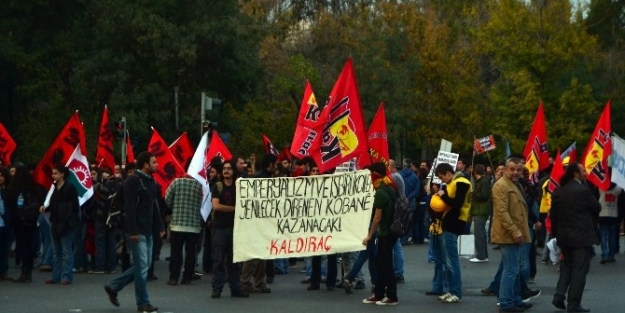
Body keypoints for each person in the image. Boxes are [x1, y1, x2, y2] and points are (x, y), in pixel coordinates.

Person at [104, 152, 165, 313]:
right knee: (142, 266)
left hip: (148, 230)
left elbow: (154, 206)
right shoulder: (133, 181)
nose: (157, 164)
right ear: (145, 164)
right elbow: (129, 207)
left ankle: (113, 286)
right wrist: (133, 231)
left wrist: (160, 227)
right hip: (137, 231)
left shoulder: (150, 181)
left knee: (143, 265)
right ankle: (142, 302)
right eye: (154, 162)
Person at [551, 162, 601, 312]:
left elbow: (554, 215)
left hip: (564, 237)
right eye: (583, 171)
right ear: (576, 174)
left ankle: (559, 296)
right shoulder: (582, 190)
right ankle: (573, 304)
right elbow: (597, 207)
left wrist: (555, 235)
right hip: (581, 237)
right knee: (579, 271)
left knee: (567, 267)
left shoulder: (559, 191)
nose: (586, 173)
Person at [490, 158, 532, 312]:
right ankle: (506, 302)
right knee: (511, 269)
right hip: (507, 234)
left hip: (514, 233)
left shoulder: (514, 184)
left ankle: (515, 299)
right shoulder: (501, 186)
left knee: (512, 269)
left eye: (518, 170)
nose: (515, 172)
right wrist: (515, 231)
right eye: (512, 169)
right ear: (505, 169)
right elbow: (502, 212)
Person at [433, 162, 472, 303]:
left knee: (452, 261)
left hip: (455, 223)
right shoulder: (453, 182)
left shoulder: (461, 182)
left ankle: (456, 292)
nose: (442, 179)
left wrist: (443, 196)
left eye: (442, 176)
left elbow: (457, 203)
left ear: (449, 173)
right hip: (449, 223)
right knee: (447, 261)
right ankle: (450, 290)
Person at [211, 159, 249, 298]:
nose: (226, 170)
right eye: (224, 168)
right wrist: (235, 208)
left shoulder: (239, 187)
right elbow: (216, 206)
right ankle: (217, 288)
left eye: (229, 168)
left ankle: (236, 288)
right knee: (218, 260)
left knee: (235, 261)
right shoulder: (218, 186)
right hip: (220, 228)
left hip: (235, 228)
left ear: (234, 171)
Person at [362, 162, 398, 306]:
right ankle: (379, 293)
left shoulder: (381, 192)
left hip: (385, 232)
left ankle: (391, 296)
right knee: (380, 263)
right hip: (389, 232)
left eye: (370, 175)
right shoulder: (388, 187)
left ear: (375, 175)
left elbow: (377, 218)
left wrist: (369, 236)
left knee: (385, 265)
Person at [241, 153, 276, 294]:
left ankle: (259, 282)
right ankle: (245, 281)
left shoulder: (264, 177)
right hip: (256, 222)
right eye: (275, 163)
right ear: (270, 165)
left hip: (263, 222)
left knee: (263, 254)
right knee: (254, 254)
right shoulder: (259, 178)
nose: (276, 166)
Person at [43, 164, 80, 285]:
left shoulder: (70, 188)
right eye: (53, 173)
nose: (53, 175)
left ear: (62, 174)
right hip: (55, 222)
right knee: (56, 250)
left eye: (55, 173)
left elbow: (74, 206)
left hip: (66, 222)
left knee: (66, 250)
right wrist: (45, 208)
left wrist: (71, 221)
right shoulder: (54, 188)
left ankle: (67, 276)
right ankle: (55, 276)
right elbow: (53, 204)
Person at [7, 165, 45, 283]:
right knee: (29, 245)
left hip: (20, 221)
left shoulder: (16, 188)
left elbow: (10, 202)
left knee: (23, 246)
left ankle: (25, 272)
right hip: (30, 220)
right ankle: (27, 271)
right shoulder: (33, 187)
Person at [164, 175, 203, 285]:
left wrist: (173, 207)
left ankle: (174, 277)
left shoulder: (177, 182)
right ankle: (187, 277)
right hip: (194, 224)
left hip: (177, 223)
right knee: (191, 253)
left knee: (176, 251)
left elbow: (167, 198)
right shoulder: (201, 185)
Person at [598, 182, 624, 264]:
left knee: (603, 235)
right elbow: (622, 204)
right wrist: (620, 217)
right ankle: (611, 255)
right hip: (614, 214)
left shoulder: (599, 186)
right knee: (612, 236)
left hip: (602, 214)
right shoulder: (619, 189)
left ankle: (604, 254)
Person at [470, 164, 491, 263]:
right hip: (481, 209)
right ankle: (484, 255)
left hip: (481, 209)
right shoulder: (483, 181)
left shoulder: (483, 181)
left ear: (475, 172)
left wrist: (473, 193)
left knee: (478, 233)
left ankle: (480, 256)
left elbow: (484, 195)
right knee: (481, 233)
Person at [0, 166, 12, 281]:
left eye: (2, 175)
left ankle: (3, 271)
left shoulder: (8, 190)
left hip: (6, 222)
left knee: (5, 248)